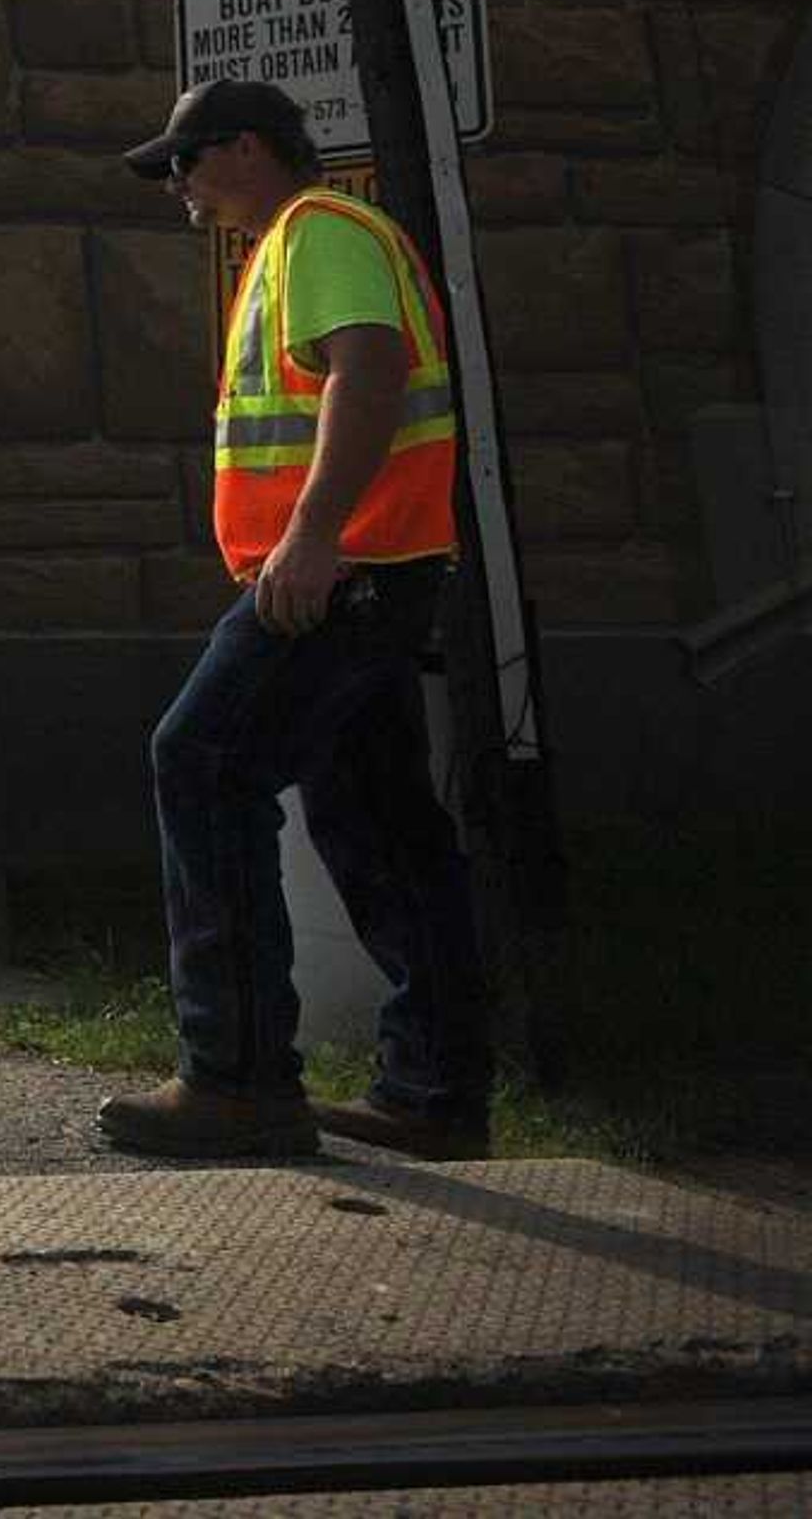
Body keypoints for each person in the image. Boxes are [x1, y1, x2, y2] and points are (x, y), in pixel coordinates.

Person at [94, 78, 495, 1162]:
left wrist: (314, 535)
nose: (176, 187)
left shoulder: (320, 230)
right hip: (368, 571)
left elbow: (369, 371)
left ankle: (237, 1081)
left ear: (246, 149)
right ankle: (436, 1091)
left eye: (185, 161)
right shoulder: (301, 243)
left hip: (338, 575)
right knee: (379, 817)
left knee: (202, 760)